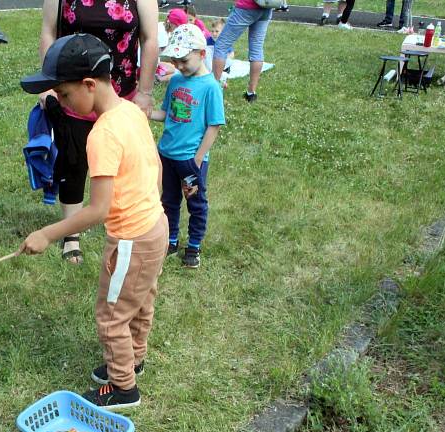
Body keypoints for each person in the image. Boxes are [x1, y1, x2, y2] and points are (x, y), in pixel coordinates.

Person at [20, 34, 168, 410]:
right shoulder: (132, 111)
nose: (63, 103)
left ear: (89, 85)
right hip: (155, 226)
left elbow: (98, 209)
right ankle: (133, 359)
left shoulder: (102, 134)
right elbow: (155, 167)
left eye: (65, 95)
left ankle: (123, 387)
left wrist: (47, 234)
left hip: (131, 238)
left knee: (111, 314)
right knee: (141, 300)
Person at [38, 0, 158, 264]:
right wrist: (50, 88)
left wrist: (145, 93)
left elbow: (150, 38)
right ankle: (72, 233)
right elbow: (49, 30)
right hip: (75, 86)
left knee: (124, 161)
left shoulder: (116, 124)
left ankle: (134, 217)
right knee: (73, 160)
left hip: (119, 87)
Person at [151, 24, 224, 269]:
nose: (179, 66)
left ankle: (193, 246)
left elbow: (214, 125)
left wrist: (198, 158)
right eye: (175, 60)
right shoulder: (175, 81)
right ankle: (171, 240)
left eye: (183, 60)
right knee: (168, 200)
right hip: (167, 155)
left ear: (201, 54)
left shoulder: (210, 87)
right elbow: (166, 113)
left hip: (190, 161)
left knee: (195, 202)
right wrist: (148, 113)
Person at [212, 0, 273, 102]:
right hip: (266, 7)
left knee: (221, 46)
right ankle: (251, 93)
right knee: (257, 49)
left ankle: (213, 90)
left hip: (247, 6)